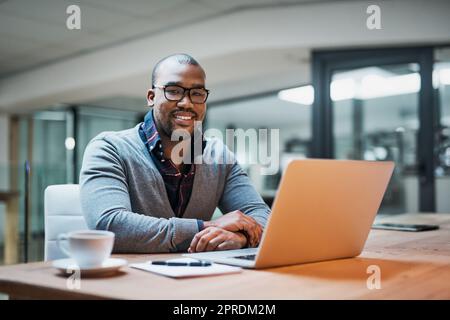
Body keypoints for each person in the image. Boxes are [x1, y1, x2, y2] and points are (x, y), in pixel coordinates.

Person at [79, 53, 270, 253]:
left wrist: (239, 238)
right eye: (174, 91)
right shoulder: (109, 148)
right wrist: (208, 228)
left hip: (202, 277)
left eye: (197, 93)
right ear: (151, 97)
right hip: (131, 279)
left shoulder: (220, 156)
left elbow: (259, 215)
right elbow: (109, 225)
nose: (186, 103)